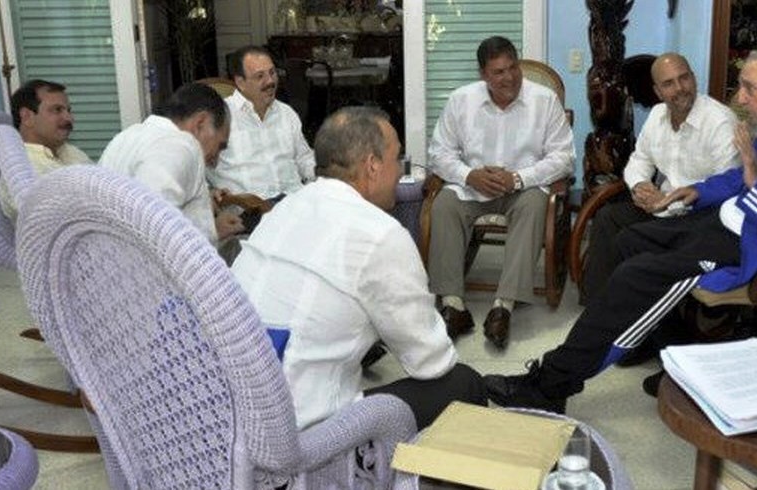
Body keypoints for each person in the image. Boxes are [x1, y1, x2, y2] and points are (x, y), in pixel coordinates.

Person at [484, 44, 757, 413]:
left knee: (636, 275)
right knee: (629, 240)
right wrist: (698, 191)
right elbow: (738, 177)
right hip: (734, 220)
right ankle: (671, 356)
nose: (741, 98)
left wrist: (754, 184)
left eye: (750, 88)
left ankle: (550, 385)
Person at [231, 107, 486, 430]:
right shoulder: (381, 234)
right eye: (397, 158)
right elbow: (430, 361)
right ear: (373, 165)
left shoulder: (282, 210)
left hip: (235, 413)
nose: (400, 171)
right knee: (463, 384)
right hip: (302, 434)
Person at [427, 36, 575, 348]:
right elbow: (439, 154)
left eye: (513, 68)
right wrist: (470, 175)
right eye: (498, 72)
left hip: (523, 188)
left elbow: (564, 158)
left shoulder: (544, 100)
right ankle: (453, 305)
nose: (509, 78)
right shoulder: (461, 100)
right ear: (483, 75)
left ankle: (503, 306)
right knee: (443, 204)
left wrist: (518, 179)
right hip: (473, 188)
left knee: (534, 204)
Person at [582, 53, 740, 305]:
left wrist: (666, 201)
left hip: (701, 218)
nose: (679, 88)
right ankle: (596, 306)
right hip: (662, 209)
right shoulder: (657, 115)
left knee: (631, 238)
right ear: (657, 91)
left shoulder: (720, 122)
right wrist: (641, 186)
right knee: (607, 218)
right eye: (668, 83)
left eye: (684, 78)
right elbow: (639, 160)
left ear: (694, 78)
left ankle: (635, 306)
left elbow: (728, 187)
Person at [99, 83, 243, 245]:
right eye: (220, 146)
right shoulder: (179, 145)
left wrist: (211, 227)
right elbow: (155, 230)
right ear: (200, 124)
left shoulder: (126, 137)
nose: (215, 162)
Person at [207, 45, 315, 201]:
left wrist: (326, 179)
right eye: (260, 76)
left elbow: (304, 159)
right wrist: (209, 192)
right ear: (240, 82)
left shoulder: (286, 113)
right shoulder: (219, 116)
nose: (270, 81)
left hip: (294, 202)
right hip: (250, 208)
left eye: (272, 73)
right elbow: (197, 169)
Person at [0, 79, 91, 220]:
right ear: (27, 117)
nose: (69, 118)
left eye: (69, 110)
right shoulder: (20, 173)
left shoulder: (71, 152)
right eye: (57, 110)